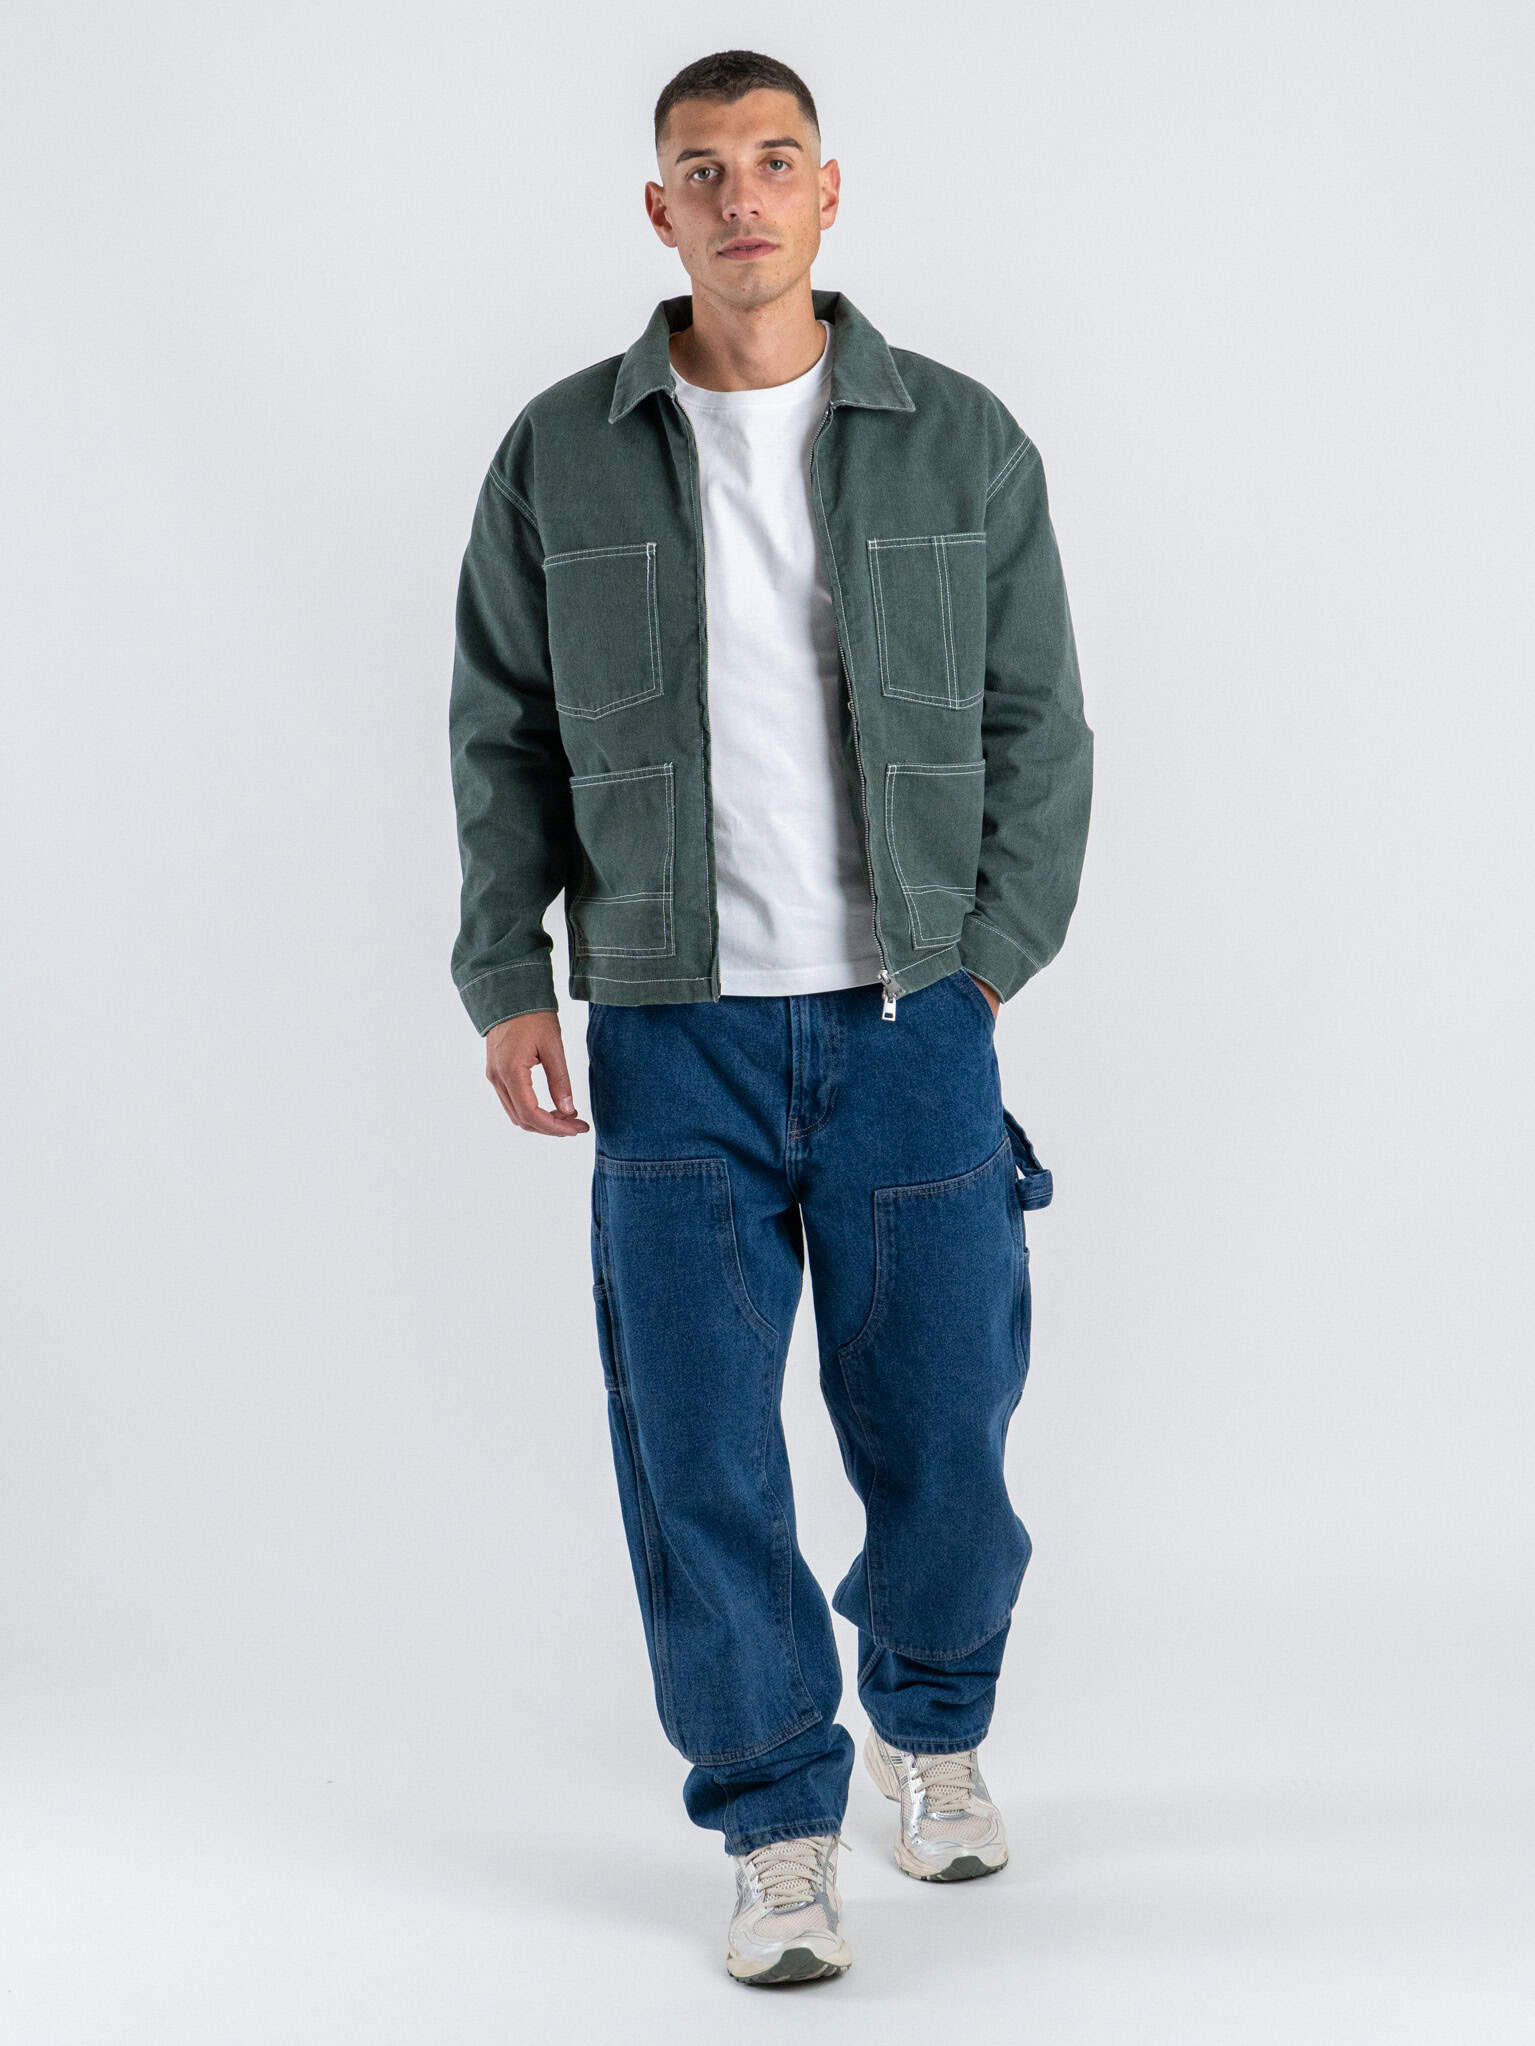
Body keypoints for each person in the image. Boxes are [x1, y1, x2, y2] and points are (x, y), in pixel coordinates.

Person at [447, 47, 1093, 1987]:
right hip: (672, 1030)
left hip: (908, 1020)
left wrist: (987, 957)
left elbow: (1040, 725)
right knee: (701, 1454)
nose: (743, 196)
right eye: (705, 168)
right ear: (660, 209)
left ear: (828, 191)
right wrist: (508, 973)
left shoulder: (959, 439)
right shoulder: (559, 452)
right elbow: (501, 730)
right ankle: (776, 1825)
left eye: (776, 160)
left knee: (947, 1433)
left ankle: (932, 1722)